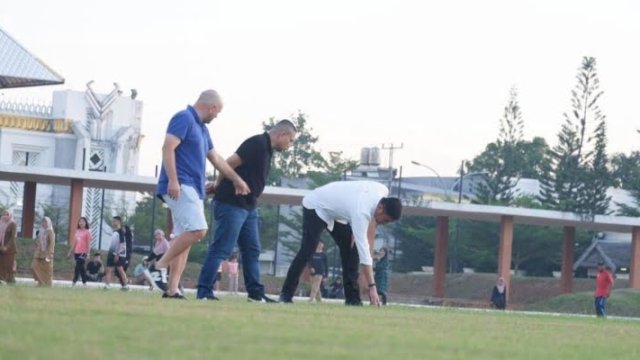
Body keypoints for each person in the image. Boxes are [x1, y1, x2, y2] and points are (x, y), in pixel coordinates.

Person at [155, 89, 250, 300]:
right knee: (198, 230)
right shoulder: (184, 118)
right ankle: (157, 265)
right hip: (181, 184)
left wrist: (236, 179)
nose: (216, 117)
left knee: (185, 238)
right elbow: (168, 148)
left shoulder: (202, 129)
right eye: (218, 112)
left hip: (195, 189)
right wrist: (173, 180)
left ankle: (171, 290)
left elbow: (216, 159)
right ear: (212, 107)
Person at [196, 119, 296, 302]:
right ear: (282, 134)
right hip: (231, 203)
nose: (290, 146)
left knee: (252, 250)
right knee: (222, 248)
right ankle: (204, 291)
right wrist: (218, 185)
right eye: (290, 141)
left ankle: (255, 294)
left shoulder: (267, 150)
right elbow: (228, 163)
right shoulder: (257, 143)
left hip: (249, 206)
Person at [279, 181, 402, 306]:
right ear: (380, 207)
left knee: (351, 248)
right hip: (316, 206)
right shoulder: (362, 212)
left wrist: (356, 226)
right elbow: (365, 255)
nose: (383, 223)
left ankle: (353, 300)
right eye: (385, 220)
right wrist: (372, 287)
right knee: (308, 250)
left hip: (336, 213)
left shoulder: (382, 190)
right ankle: (286, 295)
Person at [103, 216, 129, 290]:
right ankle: (107, 285)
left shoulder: (121, 232)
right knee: (108, 269)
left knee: (120, 269)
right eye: (113, 221)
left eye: (114, 221)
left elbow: (122, 244)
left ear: (118, 222)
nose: (113, 223)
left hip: (119, 254)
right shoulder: (114, 231)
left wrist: (117, 254)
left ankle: (125, 286)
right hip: (111, 252)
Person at [32, 217, 55, 286]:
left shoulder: (50, 231)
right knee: (34, 266)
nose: (44, 223)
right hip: (39, 253)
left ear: (49, 223)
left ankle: (45, 284)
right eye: (43, 222)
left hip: (47, 254)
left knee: (47, 270)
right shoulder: (40, 231)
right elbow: (37, 242)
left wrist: (49, 254)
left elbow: (52, 244)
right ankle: (41, 281)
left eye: (45, 222)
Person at [68, 217, 91, 286]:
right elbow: (74, 242)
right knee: (81, 268)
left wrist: (88, 253)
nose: (81, 223)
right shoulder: (77, 231)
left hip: (83, 252)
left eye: (83, 222)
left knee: (78, 267)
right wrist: (70, 251)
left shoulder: (87, 232)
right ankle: (84, 283)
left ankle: (73, 282)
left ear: (85, 223)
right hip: (77, 252)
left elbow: (89, 243)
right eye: (80, 221)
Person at [0, 210, 18, 284]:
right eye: (4, 214)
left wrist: (6, 247)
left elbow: (12, 238)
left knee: (8, 265)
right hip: (1, 248)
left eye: (7, 214)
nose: (5, 216)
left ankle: (11, 280)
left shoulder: (12, 224)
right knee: (1, 264)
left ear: (10, 215)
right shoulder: (1, 223)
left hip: (10, 249)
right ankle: (2, 279)